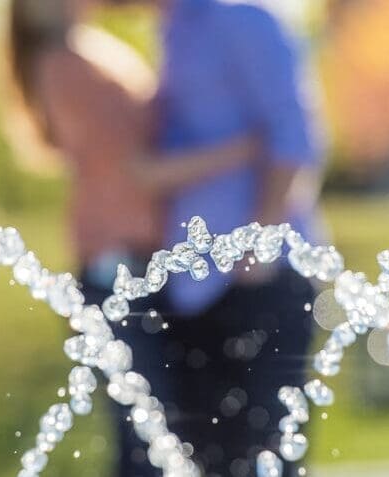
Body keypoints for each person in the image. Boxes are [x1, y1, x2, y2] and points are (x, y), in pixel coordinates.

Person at [7, 1, 262, 475]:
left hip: (147, 270)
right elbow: (139, 174)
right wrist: (243, 149)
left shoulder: (96, 51)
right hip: (117, 274)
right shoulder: (64, 67)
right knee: (150, 444)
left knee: (169, 438)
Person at [108, 1, 323, 476]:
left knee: (262, 458)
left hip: (260, 281)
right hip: (192, 292)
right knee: (201, 459)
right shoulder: (173, 32)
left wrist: (258, 244)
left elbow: (295, 133)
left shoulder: (242, 20)